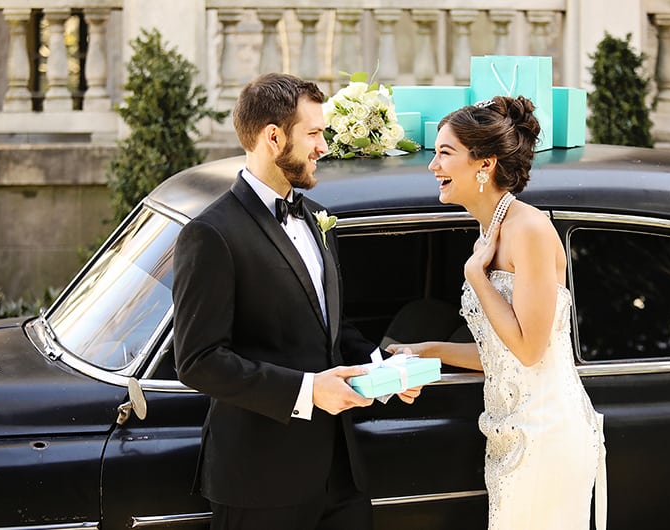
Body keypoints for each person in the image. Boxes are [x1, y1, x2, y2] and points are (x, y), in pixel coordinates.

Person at [172, 72, 420, 530]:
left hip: (341, 475)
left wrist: (381, 370)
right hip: (260, 481)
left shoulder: (316, 216)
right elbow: (199, 361)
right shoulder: (210, 234)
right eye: (314, 134)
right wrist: (308, 391)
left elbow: (330, 327)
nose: (323, 147)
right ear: (273, 137)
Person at [387, 95, 606, 530]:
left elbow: (529, 349)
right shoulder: (489, 232)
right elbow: (499, 353)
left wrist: (477, 276)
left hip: (546, 434)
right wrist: (426, 350)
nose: (433, 166)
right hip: (509, 432)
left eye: (444, 153)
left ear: (483, 165)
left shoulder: (528, 230)